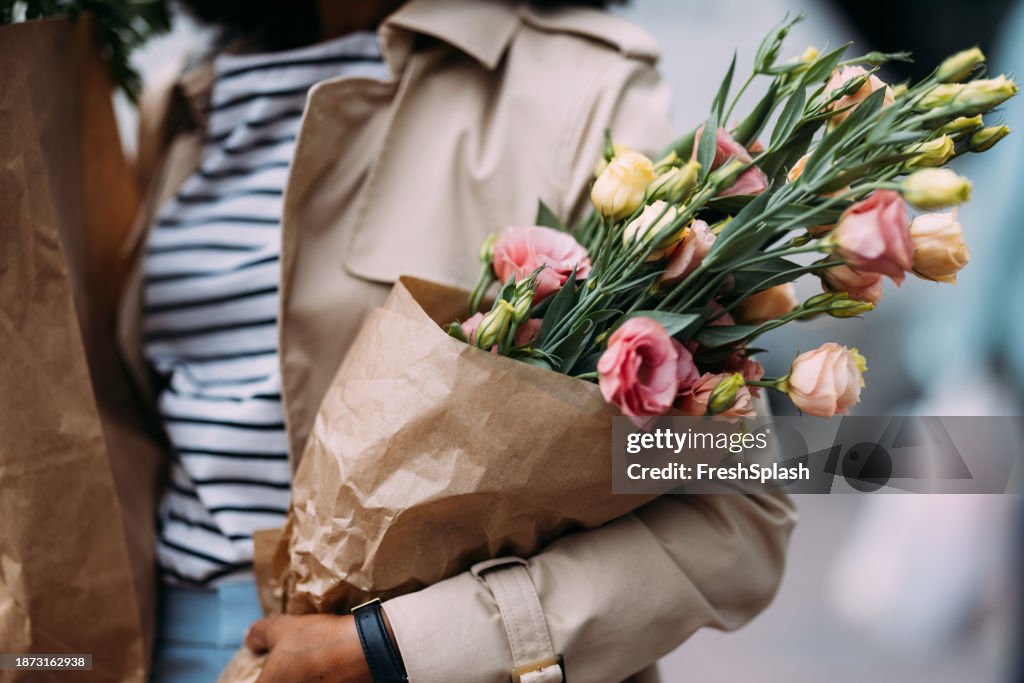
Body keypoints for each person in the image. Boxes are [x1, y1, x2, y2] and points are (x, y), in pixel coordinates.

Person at [125, 1, 797, 681]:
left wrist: (397, 648)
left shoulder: (579, 85)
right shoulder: (184, 96)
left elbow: (739, 507)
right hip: (165, 643)